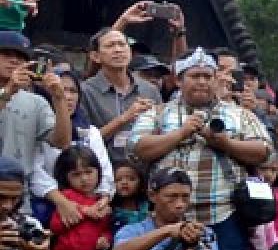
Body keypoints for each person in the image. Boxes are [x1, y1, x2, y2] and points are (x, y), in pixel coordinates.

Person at [128, 48, 271, 250]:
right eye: (195, 76)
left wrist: (223, 142)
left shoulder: (238, 114)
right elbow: (137, 149)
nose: (202, 82)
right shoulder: (158, 113)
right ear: (179, 80)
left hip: (224, 214)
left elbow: (263, 151)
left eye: (208, 76)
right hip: (170, 221)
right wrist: (181, 133)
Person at [30, 67, 114, 225]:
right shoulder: (37, 131)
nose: (67, 97)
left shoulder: (90, 132)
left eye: (73, 91)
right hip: (50, 205)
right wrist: (62, 202)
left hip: (91, 205)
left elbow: (104, 169)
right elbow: (35, 173)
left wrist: (103, 198)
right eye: (60, 90)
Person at [80, 24, 164, 160]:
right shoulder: (85, 91)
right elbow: (83, 142)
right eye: (110, 46)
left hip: (144, 170)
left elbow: (162, 133)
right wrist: (126, 117)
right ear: (95, 56)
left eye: (122, 45)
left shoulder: (150, 90)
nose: (118, 50)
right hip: (103, 172)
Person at [0, 32, 71, 192]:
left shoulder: (36, 101)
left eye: (21, 57)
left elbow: (62, 143)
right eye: (6, 54)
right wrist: (7, 92)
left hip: (17, 194)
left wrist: (59, 99)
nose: (14, 60)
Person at [111, 159, 150, 229]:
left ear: (141, 182)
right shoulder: (110, 211)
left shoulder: (148, 206)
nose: (124, 182)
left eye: (131, 179)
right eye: (118, 180)